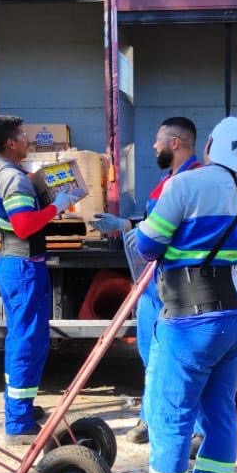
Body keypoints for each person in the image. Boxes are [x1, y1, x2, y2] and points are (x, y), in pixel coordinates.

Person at [132, 117, 237, 473]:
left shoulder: (185, 186)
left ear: (209, 144)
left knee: (171, 420)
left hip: (187, 321)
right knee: (220, 415)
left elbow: (146, 246)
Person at [92, 117, 200, 443]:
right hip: (153, 285)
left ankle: (193, 431)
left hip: (175, 287)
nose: (154, 146)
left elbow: (178, 232)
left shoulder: (193, 181)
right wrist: (127, 223)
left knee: (179, 362)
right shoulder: (169, 179)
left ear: (175, 143)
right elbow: (158, 222)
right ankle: (150, 419)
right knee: (150, 357)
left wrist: (129, 229)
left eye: (158, 140)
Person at [0, 115, 77, 444]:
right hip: (24, 266)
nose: (27, 140)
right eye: (23, 136)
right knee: (28, 342)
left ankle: (18, 407)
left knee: (19, 338)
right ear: (10, 143)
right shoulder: (14, 180)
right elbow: (23, 227)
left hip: (10, 262)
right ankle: (19, 424)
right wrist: (56, 207)